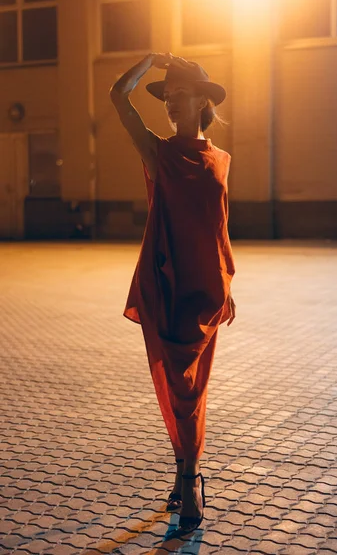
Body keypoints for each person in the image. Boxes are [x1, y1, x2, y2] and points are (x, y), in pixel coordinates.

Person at [110, 53, 236, 536]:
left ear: (203, 101)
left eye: (180, 96)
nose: (171, 106)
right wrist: (146, 63)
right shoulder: (159, 153)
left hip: (207, 289)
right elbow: (118, 98)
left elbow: (220, 224)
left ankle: (187, 477)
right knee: (176, 388)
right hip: (167, 284)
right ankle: (188, 476)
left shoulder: (220, 160)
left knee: (193, 388)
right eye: (167, 99)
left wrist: (230, 282)